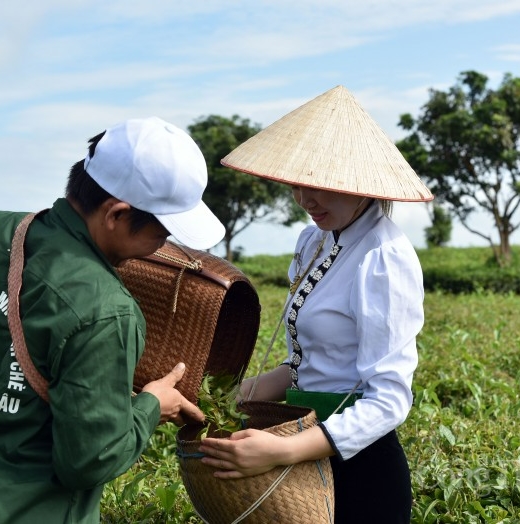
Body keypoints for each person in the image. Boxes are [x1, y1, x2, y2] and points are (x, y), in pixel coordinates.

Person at [0, 116, 225, 523]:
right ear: (116, 213)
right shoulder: (105, 309)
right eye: (162, 230)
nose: (164, 244)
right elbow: (89, 460)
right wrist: (153, 403)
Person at [198, 85, 433, 523]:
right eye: (297, 184)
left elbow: (389, 401)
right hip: (301, 448)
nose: (306, 200)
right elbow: (305, 365)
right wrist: (228, 399)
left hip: (359, 468)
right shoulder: (314, 242)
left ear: (359, 183)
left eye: (319, 186)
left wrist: (282, 449)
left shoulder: (383, 257)